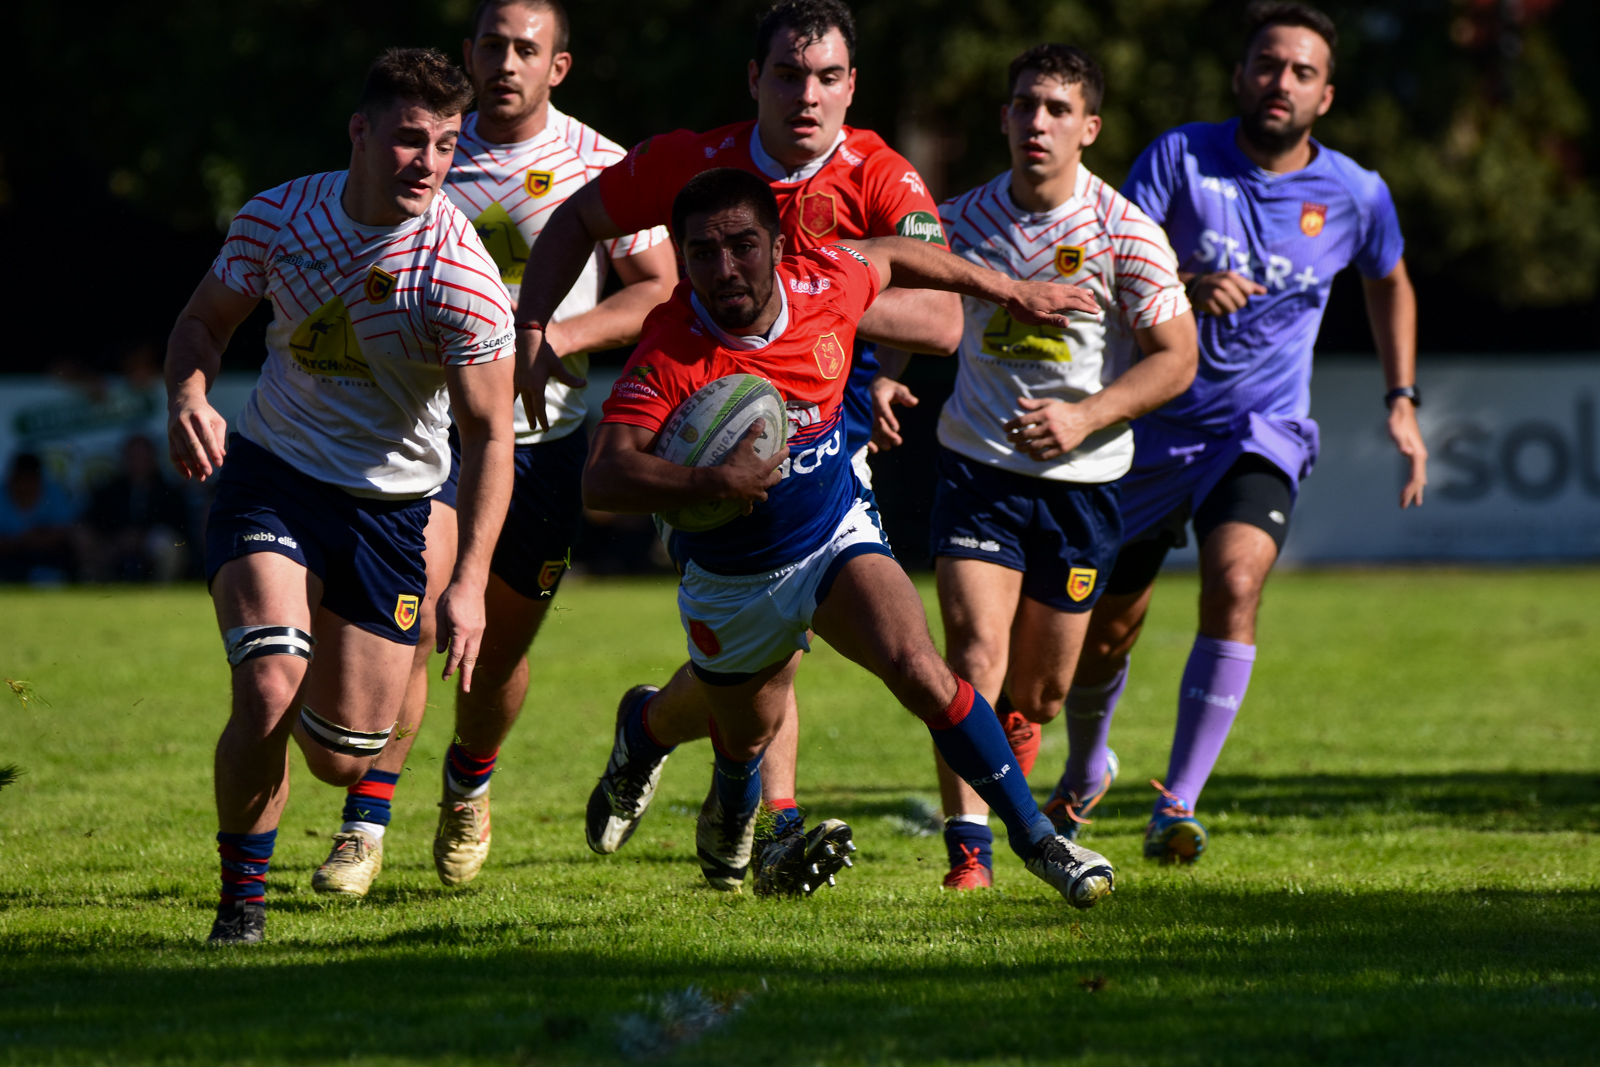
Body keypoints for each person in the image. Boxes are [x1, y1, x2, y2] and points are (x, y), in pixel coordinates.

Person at [516, 0, 962, 893]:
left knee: (767, 661)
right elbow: (574, 222)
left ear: (852, 87)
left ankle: (664, 744)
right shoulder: (696, 162)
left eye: (828, 77)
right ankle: (762, 818)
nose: (808, 96)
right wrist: (534, 327)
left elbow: (945, 321)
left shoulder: (882, 175)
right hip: (708, 431)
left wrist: (822, 314)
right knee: (764, 660)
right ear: (753, 79)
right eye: (789, 75)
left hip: (831, 433)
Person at [581, 166, 1115, 907]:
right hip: (733, 578)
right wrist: (715, 482)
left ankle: (1040, 842)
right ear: (681, 257)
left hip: (834, 532)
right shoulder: (670, 348)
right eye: (702, 252)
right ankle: (645, 731)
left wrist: (1010, 290)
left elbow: (895, 253)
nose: (725, 267)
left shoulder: (827, 280)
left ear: (777, 243)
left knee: (920, 667)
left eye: (743, 244)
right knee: (738, 734)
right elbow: (602, 478)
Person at [309, 0, 676, 899]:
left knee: (496, 655)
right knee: (423, 616)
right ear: (468, 54)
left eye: (526, 50)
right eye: (490, 46)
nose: (505, 63)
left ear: (560, 66)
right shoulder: (430, 151)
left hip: (544, 444)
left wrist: (559, 334)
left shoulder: (600, 165)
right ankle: (366, 821)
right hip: (429, 441)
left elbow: (663, 290)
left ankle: (469, 781)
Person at [165, 48, 516, 943]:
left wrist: (469, 578)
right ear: (360, 134)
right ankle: (240, 907)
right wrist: (189, 394)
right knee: (269, 682)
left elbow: (488, 437)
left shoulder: (462, 276)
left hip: (391, 510)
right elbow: (205, 322)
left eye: (444, 145)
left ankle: (364, 792)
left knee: (336, 753)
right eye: (409, 140)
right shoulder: (279, 217)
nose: (429, 163)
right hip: (272, 475)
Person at [1063, 0, 1426, 865]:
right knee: (1108, 626)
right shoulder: (1180, 158)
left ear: (1326, 97)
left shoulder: (1354, 192)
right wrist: (1184, 281)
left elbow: (1390, 279)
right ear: (1240, 76)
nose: (1282, 82)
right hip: (1149, 427)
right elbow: (1113, 258)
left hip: (1260, 432)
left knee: (1236, 579)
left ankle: (1176, 804)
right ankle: (1086, 769)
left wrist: (1401, 396)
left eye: (1302, 71)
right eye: (1268, 64)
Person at [895, 45, 1196, 890]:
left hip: (1085, 488)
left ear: (1088, 128)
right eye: (1025, 104)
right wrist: (884, 376)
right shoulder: (959, 218)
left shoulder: (1124, 231)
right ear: (1003, 116)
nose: (1038, 122)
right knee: (974, 658)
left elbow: (1177, 358)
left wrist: (1084, 416)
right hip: (977, 469)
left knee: (1041, 693)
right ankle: (971, 854)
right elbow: (912, 304)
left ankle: (1015, 748)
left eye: (1058, 109)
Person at [78, 434, 191, 582]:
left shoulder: (169, 492)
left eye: (143, 458)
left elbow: (178, 527)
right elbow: (93, 520)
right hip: (114, 543)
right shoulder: (110, 491)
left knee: (168, 547)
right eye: (133, 458)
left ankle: (161, 593)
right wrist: (117, 539)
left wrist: (141, 536)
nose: (138, 463)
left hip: (151, 542)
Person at [0, 453, 79, 583]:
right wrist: (21, 542)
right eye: (22, 479)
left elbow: (68, 529)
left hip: (48, 556)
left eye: (31, 480)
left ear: (39, 479)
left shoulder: (54, 492)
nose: (25, 486)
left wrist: (40, 537)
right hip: (7, 558)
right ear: (12, 478)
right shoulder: (1, 495)